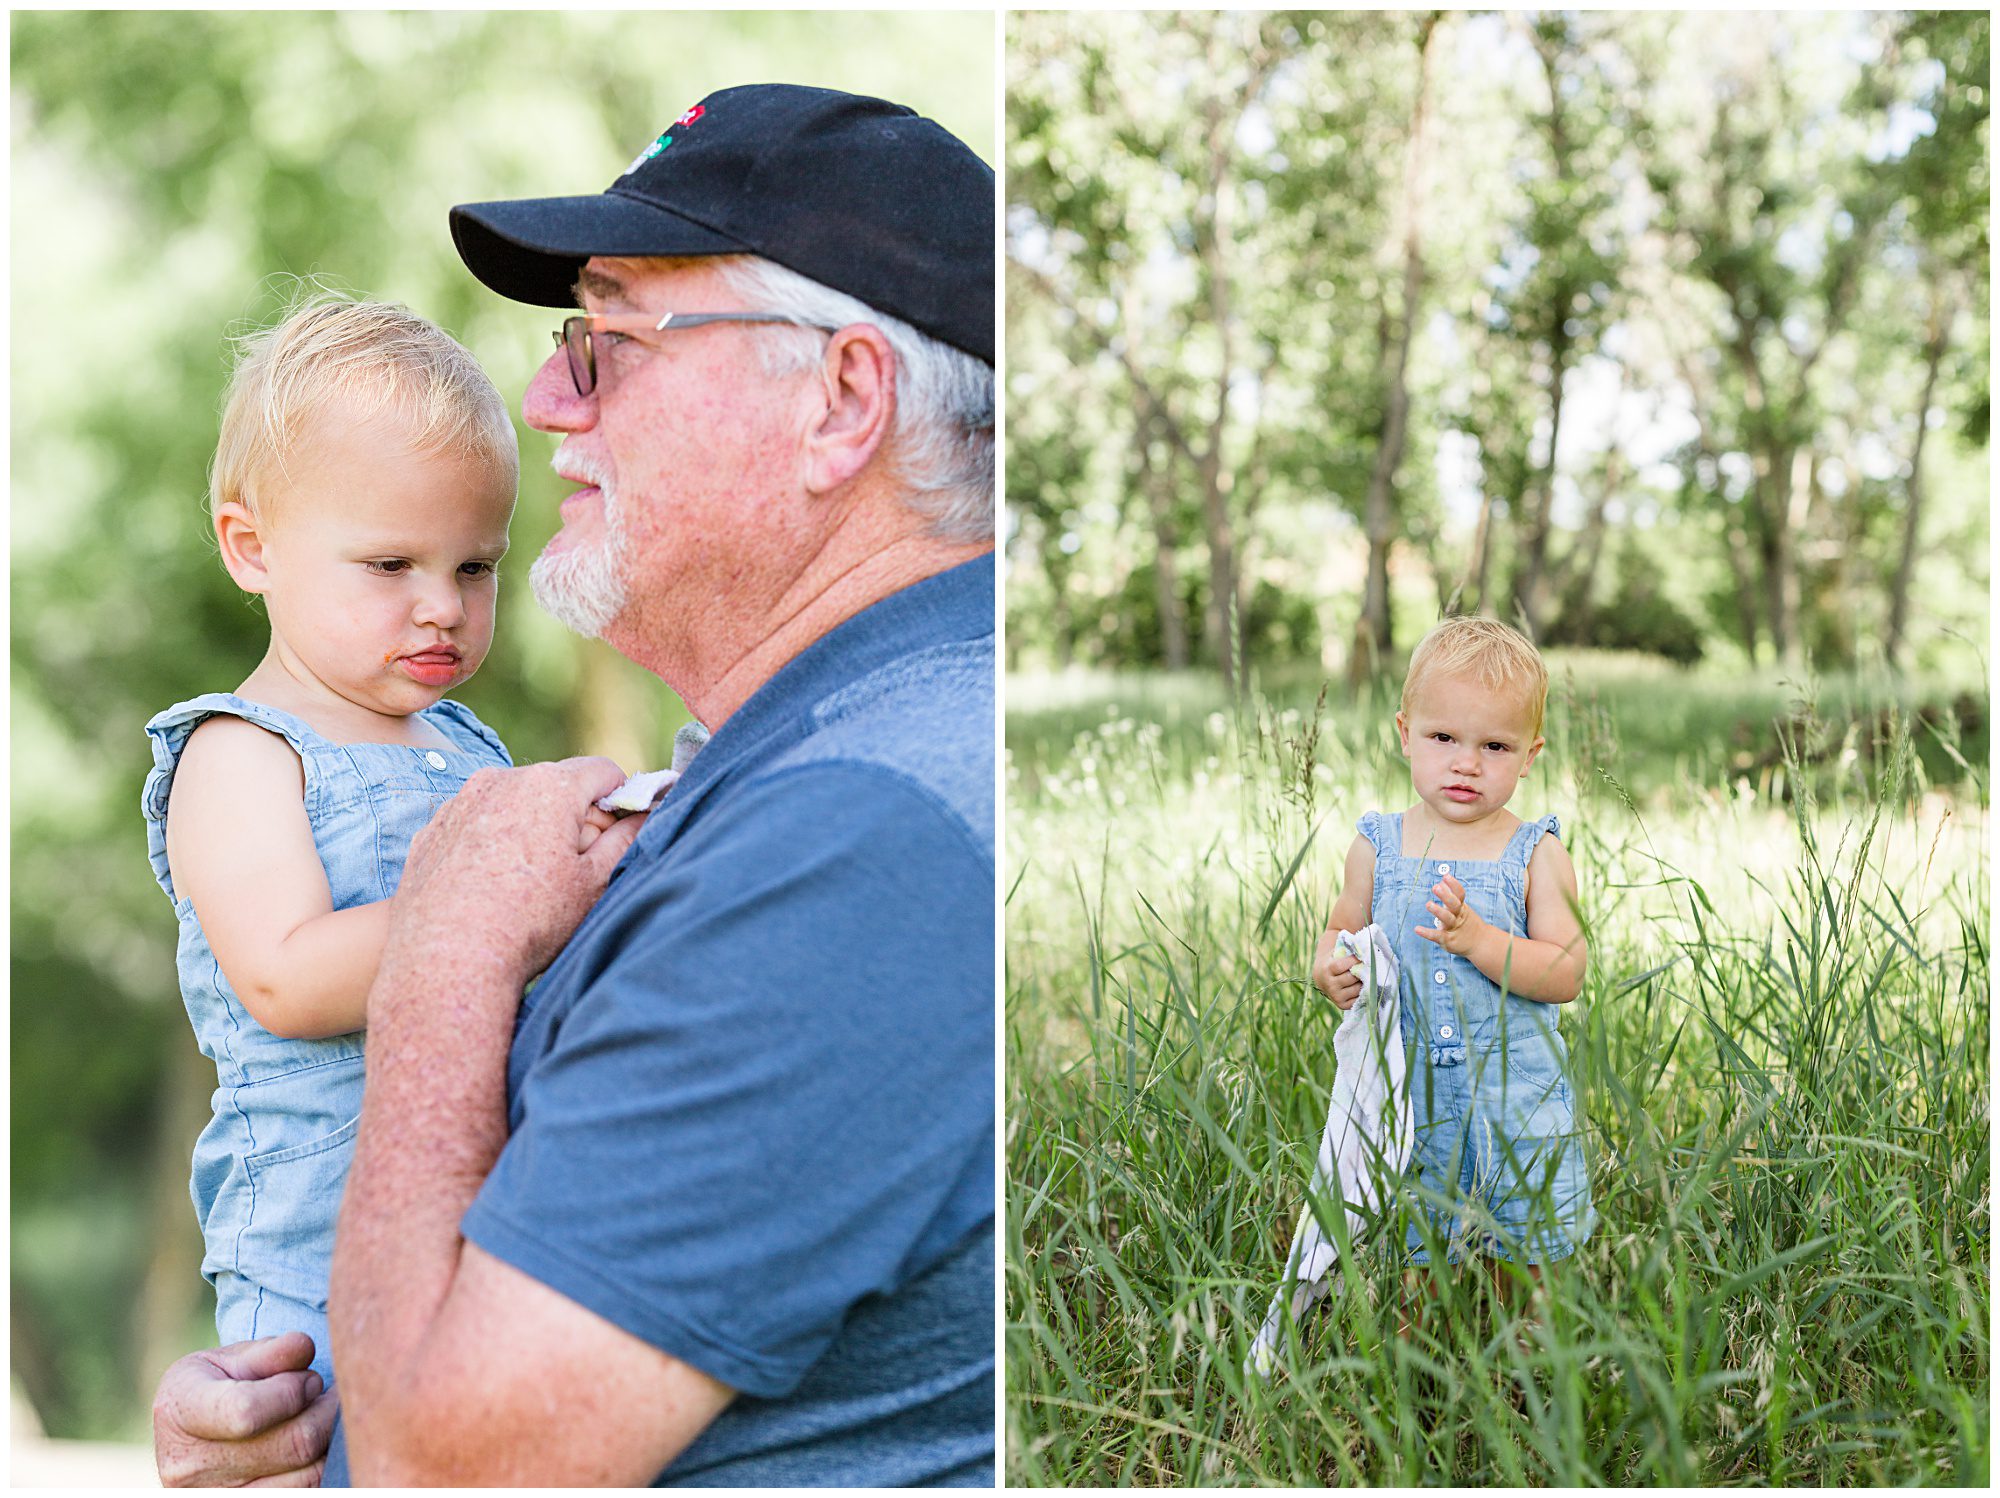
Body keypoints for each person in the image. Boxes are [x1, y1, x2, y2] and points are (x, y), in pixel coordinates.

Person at [151, 82, 995, 1486]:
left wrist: (458, 930)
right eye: (569, 340)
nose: (548, 399)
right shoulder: (824, 763)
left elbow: (451, 1468)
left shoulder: (859, 836)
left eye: (610, 338)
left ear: (844, 402)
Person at [140, 296, 531, 1389]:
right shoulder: (243, 754)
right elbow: (284, 975)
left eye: (474, 567)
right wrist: (510, 900)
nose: (441, 608)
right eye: (390, 564)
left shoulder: (465, 742)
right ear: (252, 548)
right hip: (313, 1257)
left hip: (476, 1213)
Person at [1309, 616, 1595, 1307]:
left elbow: (1566, 970)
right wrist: (1328, 968)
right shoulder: (1377, 845)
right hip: (1411, 1102)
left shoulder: (1536, 853)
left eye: (1494, 745)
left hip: (1517, 1102)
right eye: (1444, 738)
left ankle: (1526, 1362)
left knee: (1524, 1249)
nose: (1466, 762)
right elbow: (1343, 926)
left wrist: (1481, 942)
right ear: (1406, 733)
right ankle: (1418, 1370)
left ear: (1530, 755)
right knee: (1417, 1250)